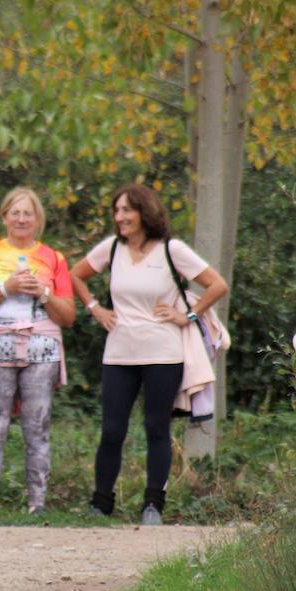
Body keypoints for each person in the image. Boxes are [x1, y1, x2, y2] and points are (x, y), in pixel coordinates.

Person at [69, 184, 228, 526]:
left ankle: (153, 505)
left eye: (127, 210)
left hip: (163, 352)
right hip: (119, 352)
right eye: (117, 211)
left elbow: (217, 284)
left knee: (156, 427)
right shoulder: (111, 248)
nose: (120, 217)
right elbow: (76, 275)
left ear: (145, 212)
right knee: (112, 430)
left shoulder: (172, 250)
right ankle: (101, 504)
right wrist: (96, 309)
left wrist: (188, 314)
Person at [0, 187, 75, 514]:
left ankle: (37, 504)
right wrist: (6, 288)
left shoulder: (54, 258)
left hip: (42, 351)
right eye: (16, 212)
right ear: (4, 216)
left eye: (28, 213)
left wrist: (43, 293)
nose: (22, 219)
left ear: (38, 219)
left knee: (37, 427)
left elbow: (67, 315)